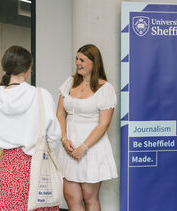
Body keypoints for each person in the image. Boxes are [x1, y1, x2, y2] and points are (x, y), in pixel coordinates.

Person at [0, 46, 61, 211]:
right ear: (28, 69)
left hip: (7, 167)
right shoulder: (41, 95)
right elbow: (54, 135)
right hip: (36, 166)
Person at [57, 44, 118, 210]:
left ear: (94, 63)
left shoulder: (105, 88)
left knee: (89, 197)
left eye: (82, 60)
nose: (77, 63)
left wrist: (83, 147)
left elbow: (104, 123)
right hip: (69, 146)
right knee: (71, 197)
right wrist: (64, 138)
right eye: (76, 59)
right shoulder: (69, 82)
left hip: (91, 148)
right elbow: (60, 114)